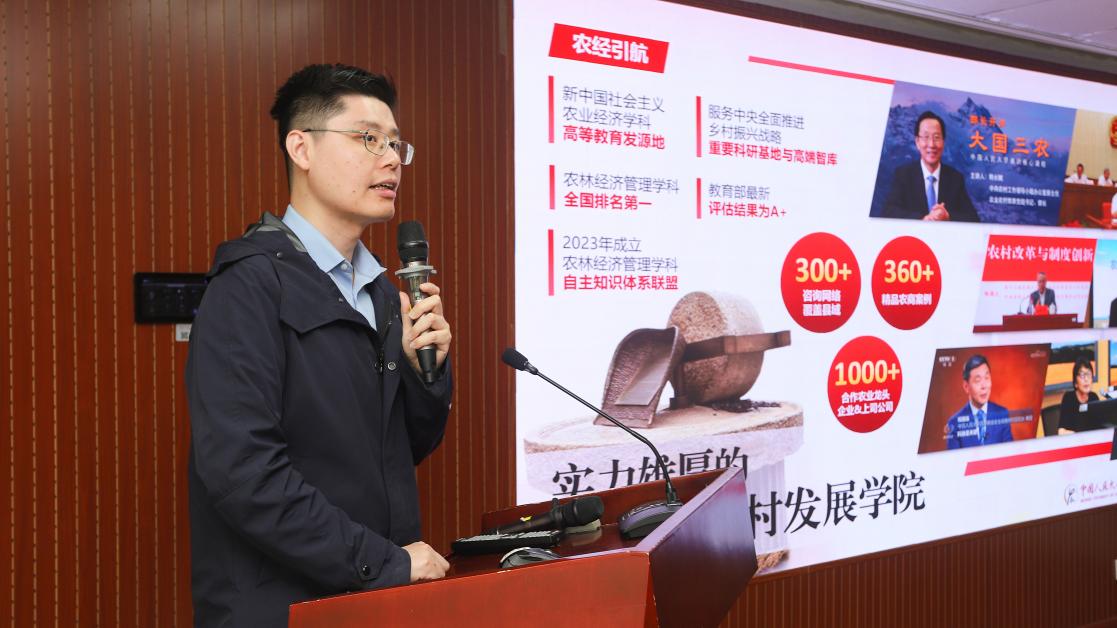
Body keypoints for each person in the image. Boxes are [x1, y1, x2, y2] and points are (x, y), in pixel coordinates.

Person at [186, 64, 454, 627]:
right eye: (367, 139)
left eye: (395, 144)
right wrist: (383, 562)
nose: (390, 159)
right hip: (283, 610)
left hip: (374, 600)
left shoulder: (381, 293)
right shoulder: (249, 286)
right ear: (301, 148)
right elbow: (245, 474)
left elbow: (398, 451)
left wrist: (423, 373)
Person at [882, 111, 980, 222]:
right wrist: (924, 218)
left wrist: (947, 216)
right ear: (917, 142)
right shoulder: (903, 175)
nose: (931, 144)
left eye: (936, 137)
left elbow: (973, 218)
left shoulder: (955, 178)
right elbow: (888, 212)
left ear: (943, 142)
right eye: (926, 137)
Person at [946, 355, 1014, 449]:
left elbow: (1010, 451)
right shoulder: (954, 423)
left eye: (987, 378)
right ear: (966, 387)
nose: (984, 386)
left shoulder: (1002, 414)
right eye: (977, 380)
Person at [1059, 357, 1099, 434]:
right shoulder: (1068, 398)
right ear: (1075, 383)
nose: (1086, 379)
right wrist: (1079, 437)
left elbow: (1099, 426)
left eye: (1088, 374)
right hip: (1073, 440)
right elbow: (1061, 431)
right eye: (1082, 375)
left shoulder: (1094, 397)